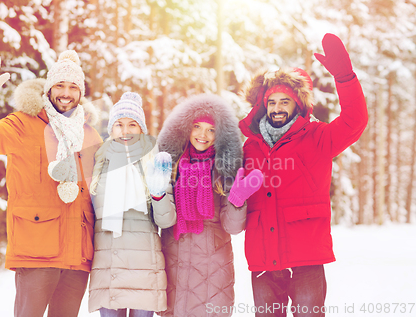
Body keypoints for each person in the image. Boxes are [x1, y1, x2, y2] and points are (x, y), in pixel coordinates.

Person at [0, 50, 102, 317]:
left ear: (81, 93)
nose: (66, 93)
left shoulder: (90, 135)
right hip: (37, 249)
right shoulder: (23, 124)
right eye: (59, 85)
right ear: (48, 89)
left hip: (78, 255)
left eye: (73, 87)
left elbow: (101, 192)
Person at [238, 33, 368, 316]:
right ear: (263, 106)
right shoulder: (249, 147)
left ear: (298, 104)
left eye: (285, 102)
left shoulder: (317, 137)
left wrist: (345, 78)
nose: (277, 108)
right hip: (263, 259)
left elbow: (354, 122)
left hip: (306, 256)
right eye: (272, 102)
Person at [156, 94, 263, 317]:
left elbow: (232, 228)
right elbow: (162, 218)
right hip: (173, 262)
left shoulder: (225, 169)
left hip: (212, 270)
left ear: (220, 135)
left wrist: (237, 201)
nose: (202, 134)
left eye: (211, 129)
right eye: (197, 126)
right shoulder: (170, 166)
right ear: (185, 128)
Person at [88, 92, 177, 317]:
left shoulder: (153, 163)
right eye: (119, 124)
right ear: (111, 128)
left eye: (132, 124)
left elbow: (167, 221)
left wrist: (158, 194)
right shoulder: (98, 162)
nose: (125, 130)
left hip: (144, 266)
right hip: (108, 266)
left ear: (141, 129)